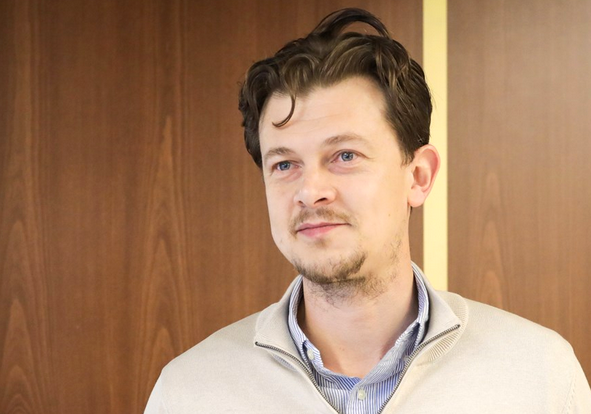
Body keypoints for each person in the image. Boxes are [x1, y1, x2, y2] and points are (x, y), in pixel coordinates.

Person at [144, 8, 591, 413]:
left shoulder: (540, 376)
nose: (310, 191)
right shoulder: (188, 393)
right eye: (284, 164)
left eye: (345, 156)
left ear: (418, 176)